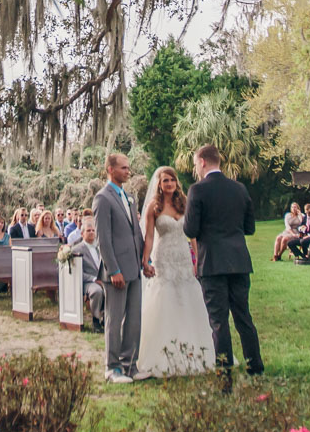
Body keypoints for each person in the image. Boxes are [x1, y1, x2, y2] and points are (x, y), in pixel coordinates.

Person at [182, 145, 263, 375]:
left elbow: (190, 229)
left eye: (196, 163)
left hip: (212, 262)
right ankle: (254, 366)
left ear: (203, 162)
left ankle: (225, 369)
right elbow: (250, 228)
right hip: (238, 261)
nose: (196, 168)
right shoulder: (239, 188)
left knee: (218, 320)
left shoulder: (197, 190)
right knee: (243, 316)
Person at [134, 167, 217, 378]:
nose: (169, 184)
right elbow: (150, 236)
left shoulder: (184, 202)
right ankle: (163, 354)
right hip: (164, 257)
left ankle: (196, 350)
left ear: (176, 182)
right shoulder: (154, 206)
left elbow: (194, 235)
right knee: (166, 298)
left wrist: (197, 258)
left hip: (183, 255)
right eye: (165, 181)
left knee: (189, 298)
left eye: (172, 180)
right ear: (159, 184)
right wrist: (146, 259)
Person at [92, 152, 147, 383]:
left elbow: (136, 233)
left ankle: (130, 365)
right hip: (116, 272)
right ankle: (112, 368)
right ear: (110, 170)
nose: (128, 171)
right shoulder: (102, 198)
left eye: (128, 168)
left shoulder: (130, 197)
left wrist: (145, 260)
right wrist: (113, 270)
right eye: (123, 168)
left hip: (134, 268)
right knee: (114, 321)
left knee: (134, 320)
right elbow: (102, 239)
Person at [77, 218, 104, 329]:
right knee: (97, 291)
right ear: (82, 233)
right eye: (88, 230)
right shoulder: (77, 249)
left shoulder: (100, 247)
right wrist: (94, 279)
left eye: (93, 230)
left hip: (102, 278)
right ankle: (96, 320)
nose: (91, 232)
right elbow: (78, 273)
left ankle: (106, 318)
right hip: (88, 281)